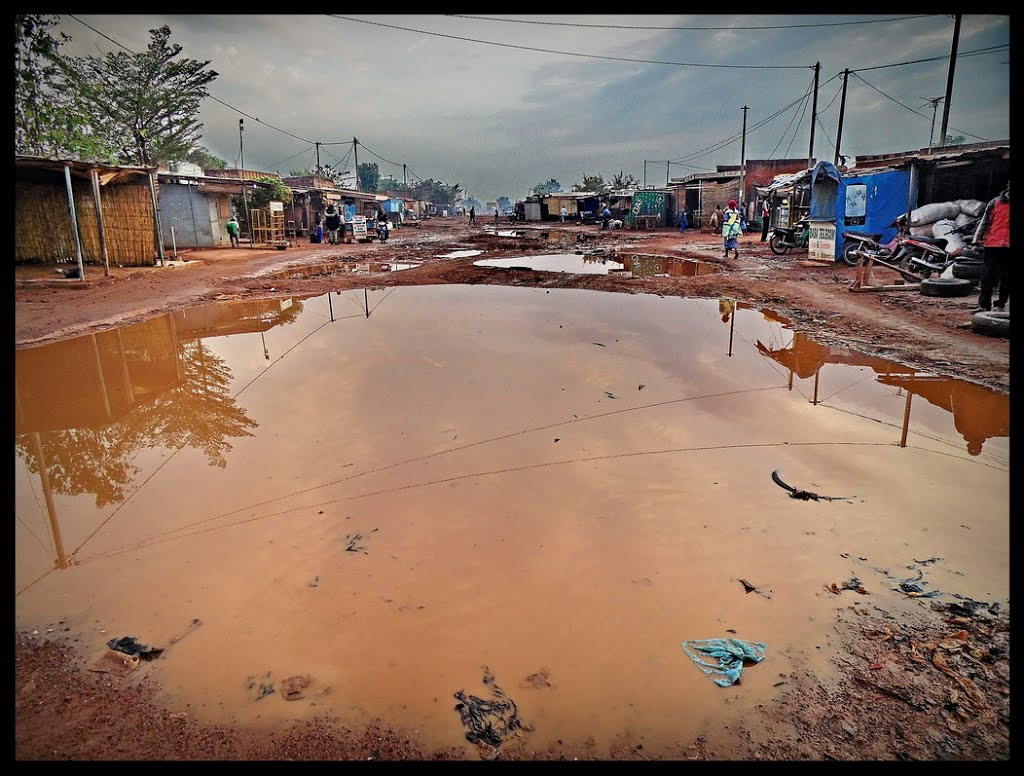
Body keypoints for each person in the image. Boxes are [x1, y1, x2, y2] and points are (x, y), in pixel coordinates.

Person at [972, 181, 1010, 313]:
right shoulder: (995, 203)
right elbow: (984, 222)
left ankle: (1000, 305)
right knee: (987, 276)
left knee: (1006, 278)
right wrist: (976, 240)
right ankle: (984, 305)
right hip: (992, 244)